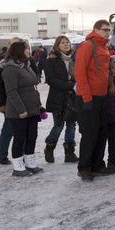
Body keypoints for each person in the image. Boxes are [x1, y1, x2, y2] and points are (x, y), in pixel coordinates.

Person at [74, 19, 115, 181]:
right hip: (89, 97)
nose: (108, 32)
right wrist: (86, 97)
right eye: (105, 29)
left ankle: (97, 165)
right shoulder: (87, 46)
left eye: (109, 30)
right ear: (96, 30)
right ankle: (84, 167)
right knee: (90, 133)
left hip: (102, 97)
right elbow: (80, 73)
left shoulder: (103, 47)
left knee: (102, 132)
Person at [1, 41, 44, 177]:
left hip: (32, 107)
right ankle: (18, 166)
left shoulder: (25, 65)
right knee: (20, 137)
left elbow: (33, 85)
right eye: (26, 49)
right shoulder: (10, 68)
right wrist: (21, 110)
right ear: (19, 50)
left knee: (32, 135)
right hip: (18, 110)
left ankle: (30, 162)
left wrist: (38, 105)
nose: (29, 51)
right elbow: (11, 91)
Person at [0, 37, 37, 165]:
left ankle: (26, 157)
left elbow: (34, 78)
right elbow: (0, 85)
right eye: (25, 48)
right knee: (10, 130)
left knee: (27, 133)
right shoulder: (4, 64)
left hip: (28, 103)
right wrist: (1, 103)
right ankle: (3, 154)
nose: (28, 50)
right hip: (12, 103)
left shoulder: (27, 63)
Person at [43, 35, 78, 164]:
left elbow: (78, 74)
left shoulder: (75, 58)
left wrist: (73, 82)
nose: (66, 44)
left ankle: (69, 153)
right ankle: (49, 147)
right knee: (58, 125)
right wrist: (67, 85)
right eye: (62, 43)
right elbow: (50, 79)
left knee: (71, 124)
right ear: (57, 46)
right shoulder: (51, 60)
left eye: (67, 42)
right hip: (57, 97)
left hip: (72, 96)